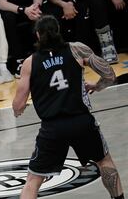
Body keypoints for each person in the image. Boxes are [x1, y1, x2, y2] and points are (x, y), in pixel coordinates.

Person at [12, 15, 124, 199]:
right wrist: (97, 86)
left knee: (33, 180)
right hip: (82, 121)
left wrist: (23, 106)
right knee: (104, 161)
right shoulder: (77, 49)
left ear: (38, 35)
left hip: (52, 128)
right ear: (58, 31)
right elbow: (109, 75)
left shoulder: (30, 63)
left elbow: (17, 106)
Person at [46, 0, 119, 64]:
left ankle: (107, 45)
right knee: (49, 13)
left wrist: (72, 2)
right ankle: (57, 55)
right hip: (60, 2)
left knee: (96, 0)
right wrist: (65, 5)